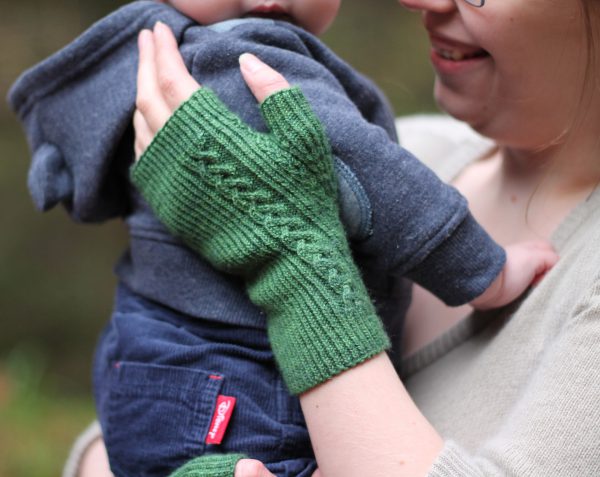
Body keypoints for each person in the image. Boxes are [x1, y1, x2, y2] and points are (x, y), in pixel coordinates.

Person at [10, 1, 558, 476]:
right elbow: (366, 175)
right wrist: (481, 269)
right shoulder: (249, 55)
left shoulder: (141, 60)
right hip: (236, 386)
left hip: (140, 368)